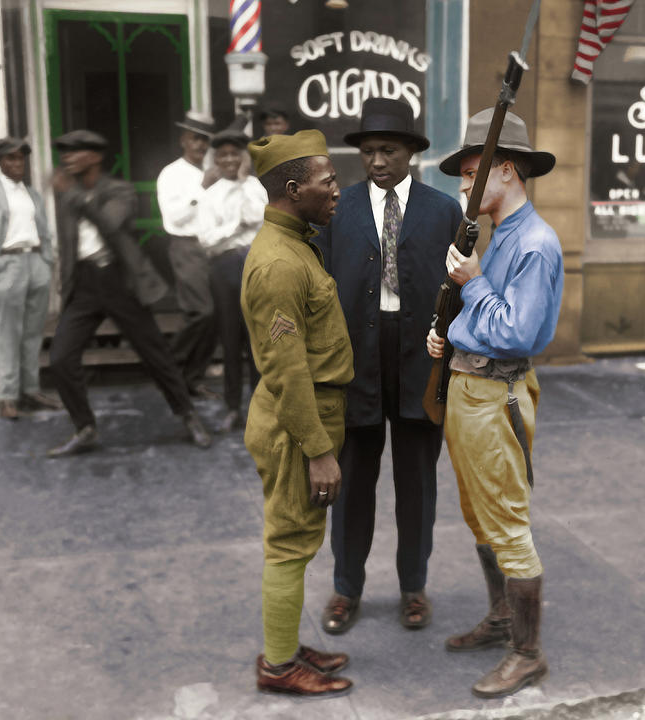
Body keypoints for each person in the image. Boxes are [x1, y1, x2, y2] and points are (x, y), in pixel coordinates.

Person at [426, 108, 562, 698]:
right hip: (466, 388)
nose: (463, 189)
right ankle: (503, 617)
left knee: (507, 521)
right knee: (479, 513)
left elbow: (517, 334)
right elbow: (480, 322)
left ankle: (528, 653)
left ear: (505, 171)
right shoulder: (492, 234)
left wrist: (473, 284)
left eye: (471, 176)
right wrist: (448, 334)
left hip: (497, 393)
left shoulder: (535, 243)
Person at [314, 97, 461, 634]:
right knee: (352, 482)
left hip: (422, 357)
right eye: (370, 151)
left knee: (417, 483)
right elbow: (321, 288)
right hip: (357, 358)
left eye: (389, 150)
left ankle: (413, 587)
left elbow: (460, 291)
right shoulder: (338, 209)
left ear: (412, 154)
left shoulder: (444, 211)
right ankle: (346, 587)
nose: (378, 161)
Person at [241, 129, 353, 696]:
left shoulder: (295, 242)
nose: (337, 189)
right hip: (297, 425)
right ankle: (279, 667)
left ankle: (284, 646)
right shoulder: (280, 264)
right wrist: (319, 451)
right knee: (289, 544)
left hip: (308, 414)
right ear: (293, 188)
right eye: (327, 180)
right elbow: (287, 372)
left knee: (299, 538)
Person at [46, 130, 211, 457]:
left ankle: (188, 416)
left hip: (121, 281)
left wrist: (74, 197)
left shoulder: (119, 190)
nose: (66, 159)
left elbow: (109, 223)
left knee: (156, 356)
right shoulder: (67, 194)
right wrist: (65, 283)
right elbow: (67, 244)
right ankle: (85, 427)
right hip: (84, 284)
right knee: (60, 357)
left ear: (94, 157)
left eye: (74, 152)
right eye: (64, 152)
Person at [0, 137, 60, 418]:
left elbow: (43, 230)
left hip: (35, 264)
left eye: (21, 158)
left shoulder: (31, 194)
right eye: (11, 158)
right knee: (8, 334)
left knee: (33, 333)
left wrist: (47, 261)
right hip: (7, 264)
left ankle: (30, 390)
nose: (18, 164)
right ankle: (7, 395)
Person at [197, 126, 266, 432]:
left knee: (258, 340)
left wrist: (241, 185)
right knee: (230, 339)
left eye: (234, 154)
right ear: (215, 159)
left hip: (255, 265)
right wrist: (235, 226)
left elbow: (260, 218)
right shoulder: (210, 195)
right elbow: (207, 239)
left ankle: (261, 409)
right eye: (222, 155)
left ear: (243, 157)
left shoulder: (255, 186)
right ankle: (232, 408)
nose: (228, 160)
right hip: (224, 268)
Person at [156, 111, 219, 398]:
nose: (200, 145)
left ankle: (192, 379)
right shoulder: (172, 174)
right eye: (195, 138)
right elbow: (174, 217)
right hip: (186, 247)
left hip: (212, 248)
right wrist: (202, 187)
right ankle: (166, 364)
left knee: (214, 315)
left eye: (205, 139)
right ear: (183, 140)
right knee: (201, 312)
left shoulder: (211, 173)